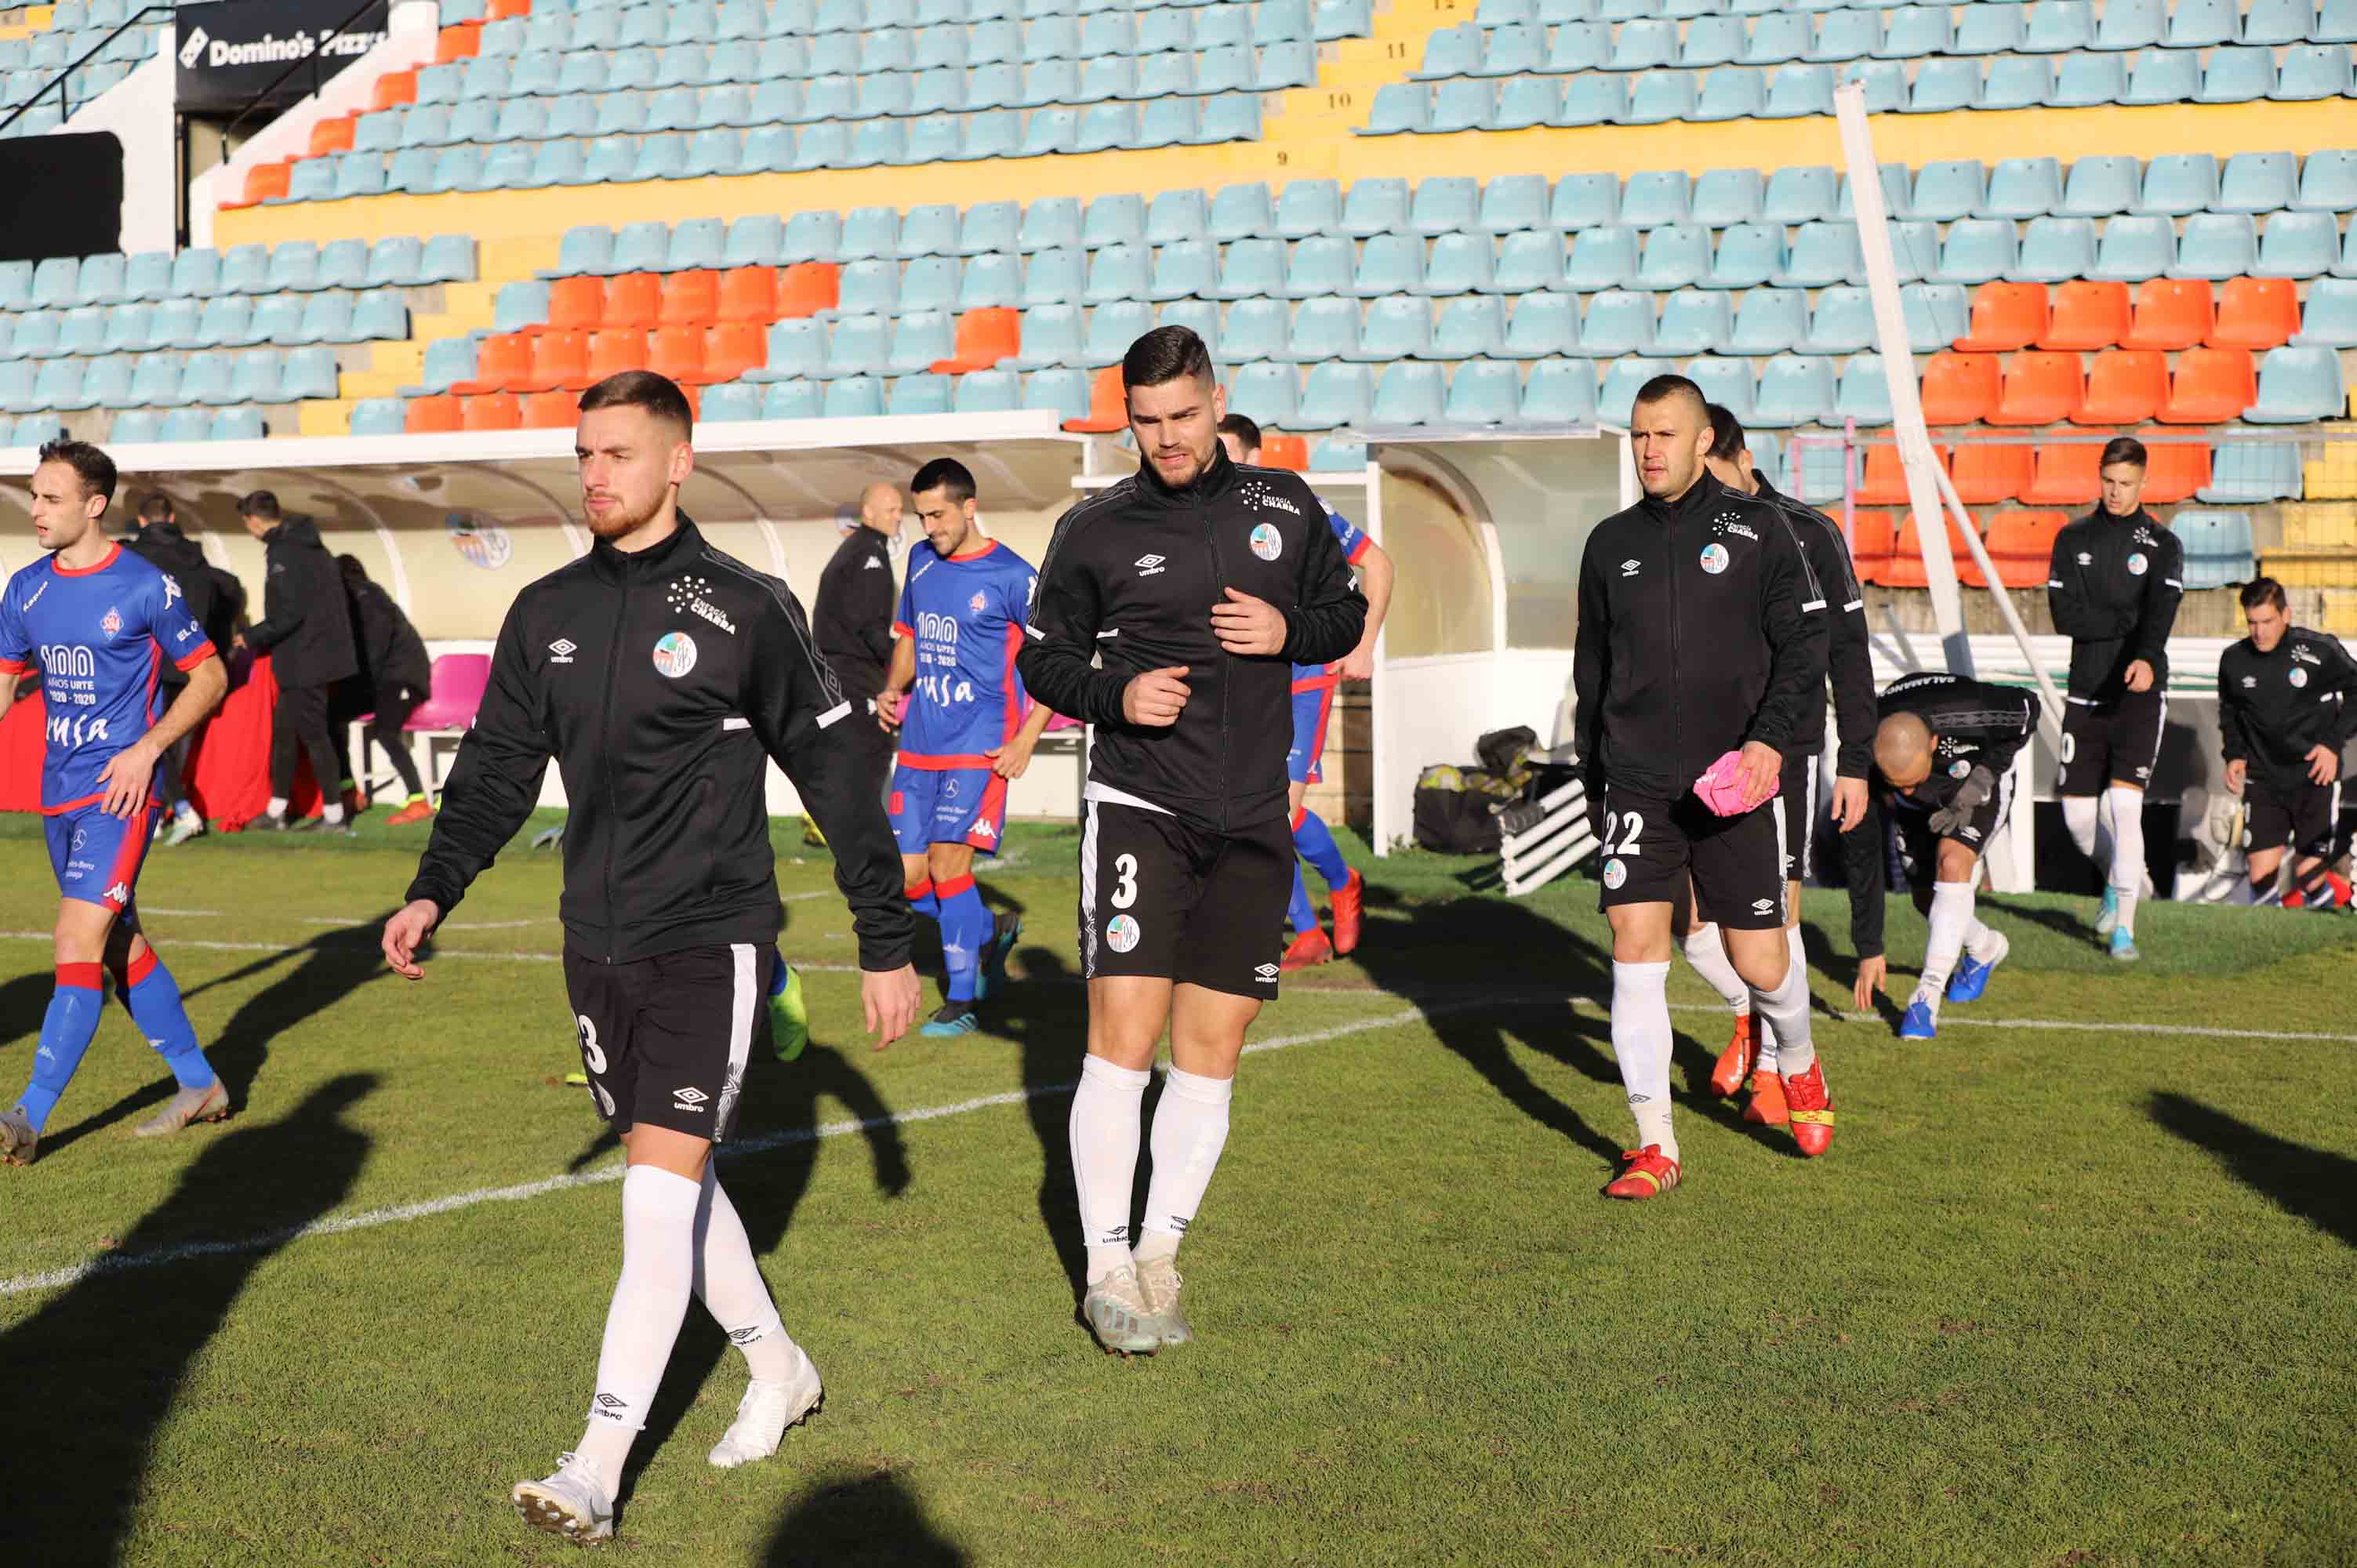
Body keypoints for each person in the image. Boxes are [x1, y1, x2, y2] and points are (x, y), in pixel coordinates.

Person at [378, 372, 921, 1544]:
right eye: (584, 454)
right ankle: (779, 1370)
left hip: (709, 941)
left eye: (619, 454)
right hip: (596, 946)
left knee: (649, 1204)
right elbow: (495, 775)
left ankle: (595, 1465)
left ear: (679, 461)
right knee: (674, 1190)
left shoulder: (745, 605)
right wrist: (433, 890)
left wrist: (886, 941)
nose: (595, 475)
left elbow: (837, 780)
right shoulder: (547, 611)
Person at [1019, 326, 1367, 1352]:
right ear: (1125, 415)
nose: (1165, 438)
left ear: (1217, 403)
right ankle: (1103, 1265)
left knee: (1211, 1051)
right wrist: (1116, 695)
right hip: (1140, 808)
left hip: (1253, 816)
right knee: (1123, 1040)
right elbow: (1044, 665)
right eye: (1145, 419)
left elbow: (1341, 614)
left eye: (1181, 416)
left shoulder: (1285, 505)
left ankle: (1160, 1255)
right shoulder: (1094, 528)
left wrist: (1286, 635)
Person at [1572, 375, 1832, 1200]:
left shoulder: (1760, 531)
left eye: (1665, 434)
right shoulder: (1609, 543)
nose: (1650, 449)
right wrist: (1594, 783)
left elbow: (1804, 647)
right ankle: (1655, 1143)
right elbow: (1593, 675)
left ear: (1701, 440)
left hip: (1734, 783)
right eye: (1640, 435)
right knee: (1635, 946)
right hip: (1638, 785)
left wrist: (1767, 743)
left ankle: (1798, 1059)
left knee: (1761, 958)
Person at [0, 442, 231, 1166]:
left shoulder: (143, 587)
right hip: (59, 797)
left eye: (50, 498)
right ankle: (201, 1085)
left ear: (95, 505)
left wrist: (148, 749)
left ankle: (24, 1117)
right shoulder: (25, 589)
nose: (35, 511)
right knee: (117, 942)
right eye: (32, 497)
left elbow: (210, 676)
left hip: (119, 796)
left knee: (75, 945)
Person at [1680, 405, 1876, 1127]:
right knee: (1687, 913)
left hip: (1784, 750)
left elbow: (1848, 654)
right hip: (1697, 752)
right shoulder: (1687, 530)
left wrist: (1855, 760)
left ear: (1729, 454)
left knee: (1776, 907)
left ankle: (1776, 1068)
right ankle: (1750, 1013)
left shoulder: (1808, 532)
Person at [873, 459, 1048, 1037]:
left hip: (980, 747)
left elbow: (1056, 665)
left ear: (969, 507)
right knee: (904, 877)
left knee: (949, 865)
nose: (929, 527)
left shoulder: (1014, 576)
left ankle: (963, 999)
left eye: (938, 514)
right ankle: (988, 932)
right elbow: (911, 638)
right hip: (920, 742)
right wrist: (894, 689)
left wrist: (1025, 739)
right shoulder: (921, 560)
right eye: (922, 516)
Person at [1213, 414, 1393, 972]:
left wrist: (1363, 646)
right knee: (1250, 812)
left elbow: (1377, 564)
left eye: (1226, 452)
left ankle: (1343, 881)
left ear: (1252, 455)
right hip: (1244, 679)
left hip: (1305, 676)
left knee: (1277, 813)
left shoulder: (1296, 505)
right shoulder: (1201, 516)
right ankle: (1309, 931)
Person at [1841, 673, 2038, 1039]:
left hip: (1975, 782)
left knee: (1953, 862)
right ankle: (1984, 947)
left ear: (1934, 742)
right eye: (1903, 787)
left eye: (1915, 781)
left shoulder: (1971, 711)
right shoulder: (1862, 758)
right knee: (1925, 899)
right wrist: (1869, 948)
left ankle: (1925, 999)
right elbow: (1863, 859)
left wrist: (1981, 779)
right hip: (1917, 804)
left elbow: (2030, 711)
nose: (1913, 790)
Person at [2046, 437, 2184, 960]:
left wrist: (2144, 656)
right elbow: (2065, 616)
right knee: (2080, 819)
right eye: (2109, 481)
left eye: (2127, 483)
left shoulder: (2162, 544)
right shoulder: (2072, 538)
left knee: (2124, 809)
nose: (2116, 492)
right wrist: (2122, 621)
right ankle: (2115, 881)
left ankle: (2125, 926)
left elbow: (2159, 614)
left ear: (2143, 483)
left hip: (2139, 695)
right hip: (2084, 693)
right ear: (2099, 477)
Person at [2217, 576, 2357, 909]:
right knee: (2260, 879)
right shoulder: (2233, 661)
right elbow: (2230, 711)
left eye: (2267, 621)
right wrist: (2235, 754)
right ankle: (2271, 946)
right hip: (2264, 777)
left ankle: (2335, 920)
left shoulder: (2319, 650)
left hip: (2314, 775)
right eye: (2252, 622)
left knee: (2310, 877)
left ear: (2286, 615)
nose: (2259, 631)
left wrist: (2332, 744)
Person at [238, 490, 358, 833]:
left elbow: (288, 613)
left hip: (304, 660)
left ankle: (335, 815)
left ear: (255, 521)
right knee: (286, 734)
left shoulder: (284, 553)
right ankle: (278, 809)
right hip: (319, 656)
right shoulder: (313, 548)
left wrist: (251, 636)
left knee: (315, 736)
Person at [120, 492, 221, 847]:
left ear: (143, 521)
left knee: (152, 742)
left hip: (151, 664)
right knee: (171, 744)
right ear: (173, 518)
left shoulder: (132, 557)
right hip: (191, 662)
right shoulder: (197, 558)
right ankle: (157, 815)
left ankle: (182, 811)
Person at [812, 481, 904, 842]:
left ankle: (860, 836)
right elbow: (871, 627)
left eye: (900, 509)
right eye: (891, 510)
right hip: (856, 677)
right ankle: (870, 842)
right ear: (868, 513)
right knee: (871, 756)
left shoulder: (852, 550)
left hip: (838, 675)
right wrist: (904, 667)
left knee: (856, 759)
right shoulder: (870, 554)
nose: (898, 516)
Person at [337, 555, 438, 827]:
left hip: (404, 680)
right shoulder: (363, 598)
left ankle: (418, 801)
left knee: (386, 731)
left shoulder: (369, 599)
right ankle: (350, 791)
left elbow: (375, 650)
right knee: (334, 719)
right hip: (387, 680)